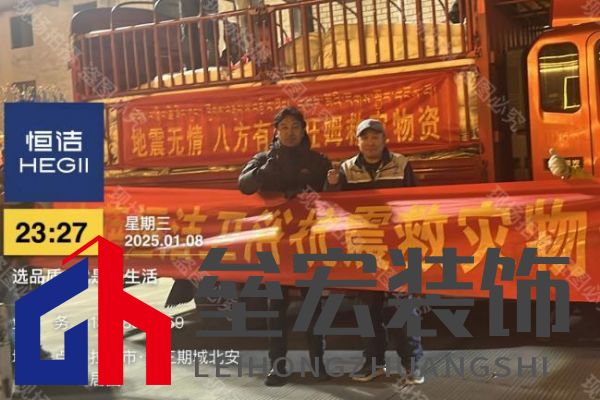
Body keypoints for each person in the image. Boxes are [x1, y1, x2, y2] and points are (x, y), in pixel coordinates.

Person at [238, 106, 332, 386]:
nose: (290, 132)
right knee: (276, 306)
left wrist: (334, 183)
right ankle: (277, 367)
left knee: (313, 305)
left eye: (295, 127)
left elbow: (334, 196)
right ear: (276, 132)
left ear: (304, 131)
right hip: (275, 244)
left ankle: (318, 364)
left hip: (308, 242)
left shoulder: (317, 161)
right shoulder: (264, 159)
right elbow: (244, 185)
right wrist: (262, 171)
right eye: (285, 127)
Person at [326, 118, 424, 384]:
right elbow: (333, 206)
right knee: (366, 308)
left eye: (375, 137)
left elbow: (417, 201)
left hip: (396, 249)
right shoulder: (346, 168)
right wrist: (332, 185)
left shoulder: (401, 164)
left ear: (384, 140)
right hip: (364, 249)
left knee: (403, 306)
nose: (370, 142)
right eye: (365, 137)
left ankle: (412, 364)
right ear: (357, 142)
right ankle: (373, 363)